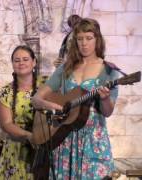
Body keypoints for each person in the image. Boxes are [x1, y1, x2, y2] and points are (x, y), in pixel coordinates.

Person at [32, 18, 119, 179]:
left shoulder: (108, 70)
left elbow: (107, 112)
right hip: (65, 139)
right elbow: (36, 99)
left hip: (93, 140)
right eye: (80, 39)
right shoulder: (65, 68)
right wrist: (54, 107)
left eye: (89, 38)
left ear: (97, 39)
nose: (84, 43)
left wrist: (105, 99)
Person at [0, 45, 43, 179]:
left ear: (34, 62)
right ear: (12, 64)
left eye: (25, 59)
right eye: (17, 60)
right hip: (16, 150)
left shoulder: (46, 85)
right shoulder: (5, 92)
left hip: (44, 149)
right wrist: (29, 136)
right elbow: (6, 124)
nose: (21, 63)